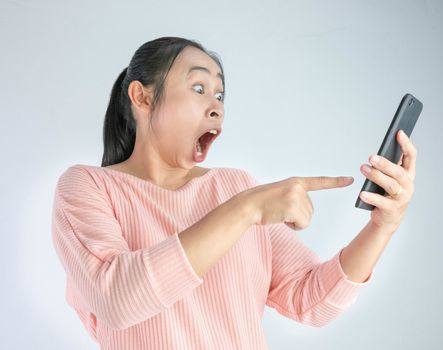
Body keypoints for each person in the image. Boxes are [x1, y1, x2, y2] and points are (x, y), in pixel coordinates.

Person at [51, 36, 418, 349]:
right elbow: (117, 299)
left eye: (220, 94)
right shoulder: (87, 187)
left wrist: (383, 226)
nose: (217, 108)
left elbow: (312, 300)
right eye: (198, 88)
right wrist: (244, 210)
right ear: (142, 98)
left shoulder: (236, 187)